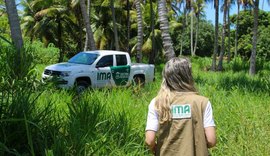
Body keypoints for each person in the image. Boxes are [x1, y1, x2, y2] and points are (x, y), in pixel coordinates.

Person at [145, 57, 216, 156]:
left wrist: (154, 148)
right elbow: (211, 140)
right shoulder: (202, 102)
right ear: (188, 76)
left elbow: (149, 140)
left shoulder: (157, 103)